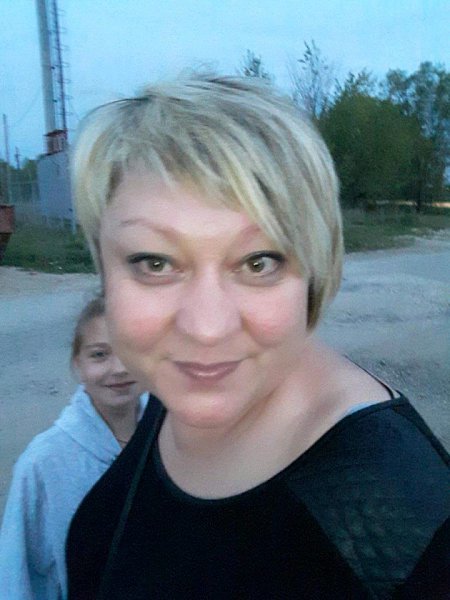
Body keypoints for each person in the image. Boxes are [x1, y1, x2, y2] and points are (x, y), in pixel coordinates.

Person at [66, 74, 449, 599]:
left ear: (314, 271)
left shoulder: (402, 525)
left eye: (258, 262)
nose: (206, 329)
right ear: (104, 271)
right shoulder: (174, 394)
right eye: (155, 263)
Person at [0, 296, 147, 600]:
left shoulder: (173, 438)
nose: (119, 368)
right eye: (99, 355)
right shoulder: (44, 463)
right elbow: (17, 572)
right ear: (77, 363)